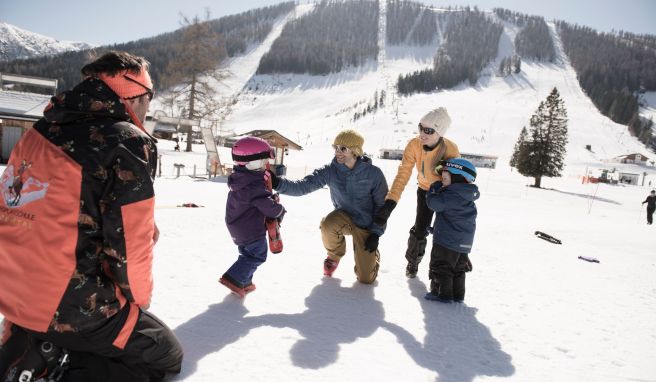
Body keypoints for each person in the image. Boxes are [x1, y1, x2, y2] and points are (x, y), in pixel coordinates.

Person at [0, 51, 183, 382]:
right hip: (70, 305)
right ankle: (59, 359)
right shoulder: (126, 140)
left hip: (13, 292)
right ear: (134, 95)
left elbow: (14, 211)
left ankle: (31, 341)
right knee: (164, 353)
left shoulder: (40, 131)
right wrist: (136, 305)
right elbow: (130, 245)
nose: (149, 108)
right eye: (149, 98)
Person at [268, 130, 388, 284]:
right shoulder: (330, 171)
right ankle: (334, 256)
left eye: (343, 148)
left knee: (365, 279)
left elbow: (382, 206)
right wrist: (277, 183)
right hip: (343, 217)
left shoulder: (374, 174)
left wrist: (376, 233)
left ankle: (372, 258)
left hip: (367, 224)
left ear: (355, 150)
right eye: (335, 147)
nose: (338, 152)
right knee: (328, 224)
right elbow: (304, 186)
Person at [372, 108, 460, 278]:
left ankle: (441, 270)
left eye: (429, 130)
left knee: (445, 233)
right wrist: (390, 203)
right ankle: (413, 262)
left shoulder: (450, 149)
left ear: (440, 132)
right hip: (425, 191)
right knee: (421, 229)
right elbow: (403, 174)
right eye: (421, 127)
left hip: (445, 193)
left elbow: (457, 178)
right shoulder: (414, 145)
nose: (422, 133)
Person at [220, 136, 286, 298]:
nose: (266, 164)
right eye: (263, 161)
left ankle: (244, 282)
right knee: (257, 255)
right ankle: (234, 278)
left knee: (247, 255)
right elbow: (265, 205)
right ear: (251, 163)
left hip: (238, 226)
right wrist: (279, 210)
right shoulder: (254, 185)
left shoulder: (240, 179)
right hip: (250, 229)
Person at [424, 158, 479, 303]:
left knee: (441, 267)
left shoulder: (450, 195)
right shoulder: (467, 197)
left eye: (444, 178)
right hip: (463, 244)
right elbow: (453, 219)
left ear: (457, 177)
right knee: (458, 270)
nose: (442, 181)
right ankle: (458, 295)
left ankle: (441, 294)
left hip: (446, 242)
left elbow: (433, 203)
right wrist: (435, 229)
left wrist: (433, 190)